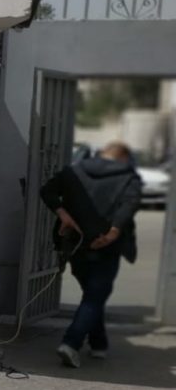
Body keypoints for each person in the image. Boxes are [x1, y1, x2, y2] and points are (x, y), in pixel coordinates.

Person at [39, 141, 141, 368]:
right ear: (123, 158)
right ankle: (71, 343)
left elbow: (47, 191)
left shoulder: (74, 171)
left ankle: (98, 344)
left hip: (76, 243)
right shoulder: (129, 177)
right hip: (107, 246)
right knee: (95, 296)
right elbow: (129, 205)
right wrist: (113, 233)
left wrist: (63, 215)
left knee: (93, 295)